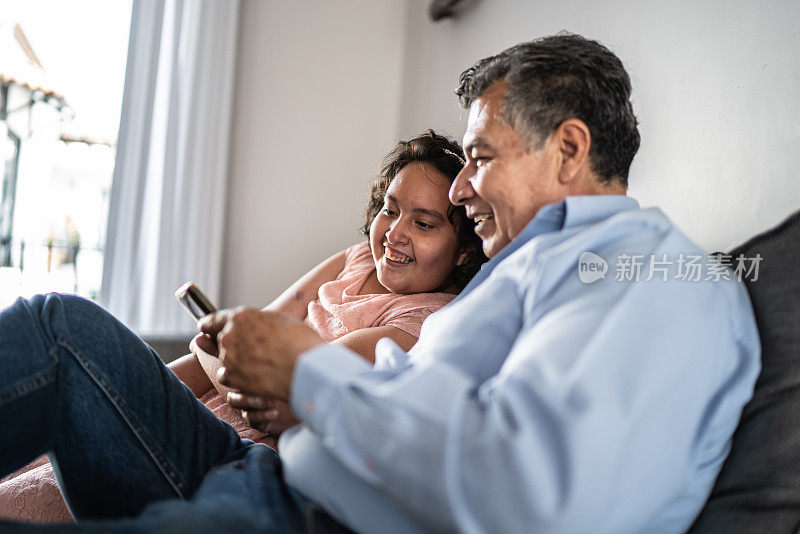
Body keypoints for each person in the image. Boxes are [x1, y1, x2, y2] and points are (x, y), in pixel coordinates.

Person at [0, 34, 760, 534]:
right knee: (56, 327)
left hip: (313, 515)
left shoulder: (651, 276)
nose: (462, 189)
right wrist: (302, 391)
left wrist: (311, 377)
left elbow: (536, 498)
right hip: (277, 475)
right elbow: (447, 411)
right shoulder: (536, 266)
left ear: (568, 149)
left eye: (479, 158)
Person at [0, 131, 485, 523]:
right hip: (202, 408)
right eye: (390, 209)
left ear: (463, 248)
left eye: (424, 224)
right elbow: (255, 330)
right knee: (54, 387)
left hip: (244, 453)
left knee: (41, 468)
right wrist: (137, 384)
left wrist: (223, 350)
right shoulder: (356, 260)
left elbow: (269, 390)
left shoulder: (422, 321)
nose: (395, 232)